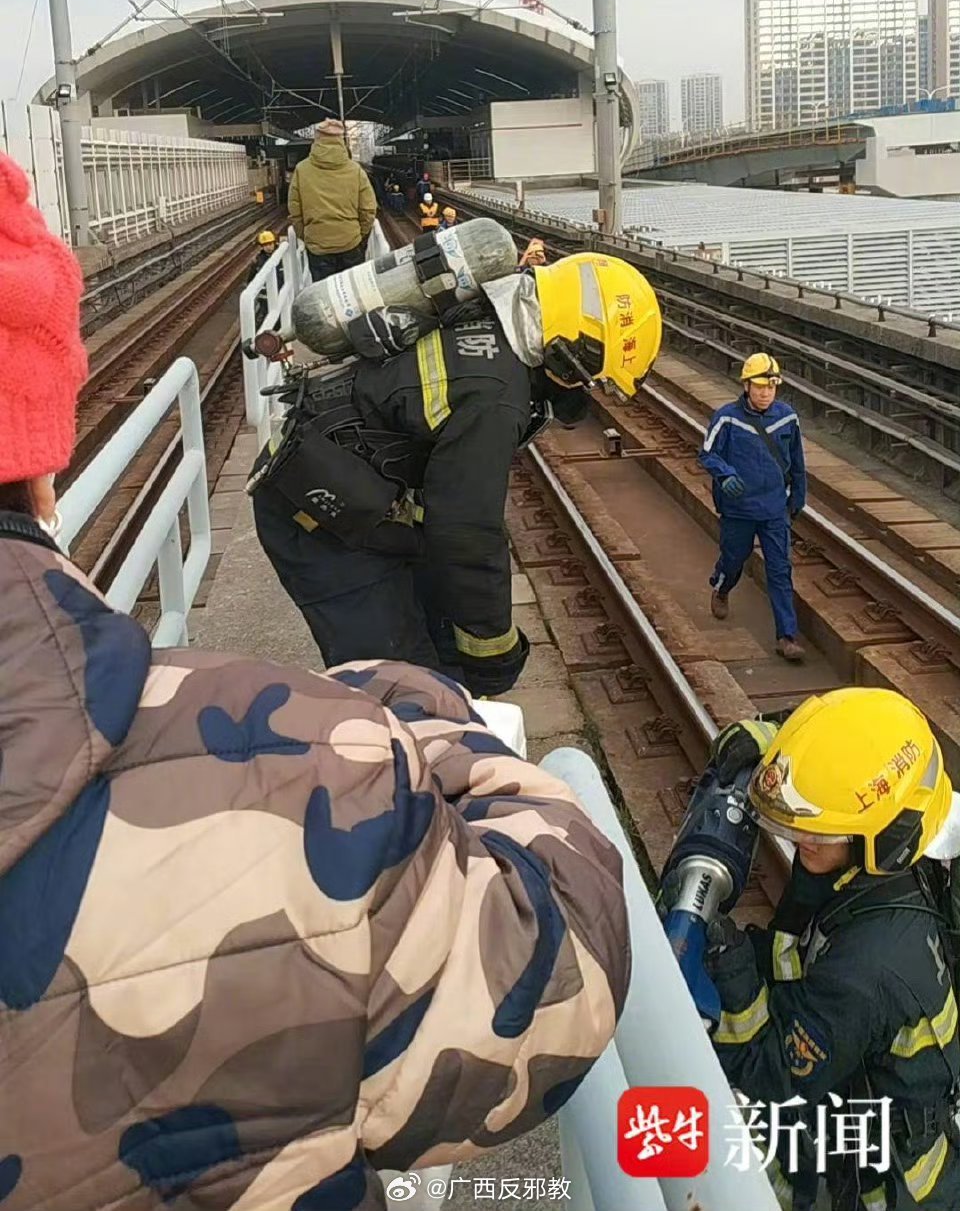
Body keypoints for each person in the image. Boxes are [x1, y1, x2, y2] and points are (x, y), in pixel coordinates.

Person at [0, 147, 632, 1208]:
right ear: (41, 458)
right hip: (326, 538)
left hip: (311, 499)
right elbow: (552, 985)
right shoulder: (294, 796)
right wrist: (440, 717)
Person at [252, 250, 662, 691]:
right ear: (567, 353)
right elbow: (468, 532)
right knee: (403, 688)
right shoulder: (496, 398)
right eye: (587, 378)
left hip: (348, 477)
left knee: (432, 634)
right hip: (317, 519)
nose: (581, 392)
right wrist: (494, 652)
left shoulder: (483, 311)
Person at [703, 690, 960, 1211]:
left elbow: (767, 1076)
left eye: (819, 833)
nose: (802, 841)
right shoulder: (907, 849)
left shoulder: (865, 972)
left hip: (886, 1186)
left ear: (884, 836)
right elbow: (848, 742)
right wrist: (768, 741)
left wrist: (728, 964)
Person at [699, 351, 807, 664]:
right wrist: (726, 474)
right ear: (747, 386)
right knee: (734, 558)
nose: (764, 393)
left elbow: (797, 461)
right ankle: (721, 587)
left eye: (770, 387)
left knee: (780, 570)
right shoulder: (727, 418)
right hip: (739, 509)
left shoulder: (787, 417)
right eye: (759, 387)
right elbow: (707, 454)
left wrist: (798, 495)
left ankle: (786, 636)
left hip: (774, 508)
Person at [288, 117, 377, 283]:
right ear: (341, 140)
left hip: (318, 246)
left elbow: (295, 211)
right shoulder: (355, 170)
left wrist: (308, 236)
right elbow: (368, 210)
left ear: (317, 139)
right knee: (353, 293)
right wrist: (359, 235)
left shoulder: (301, 170)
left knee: (325, 297)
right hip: (350, 243)